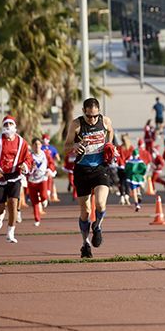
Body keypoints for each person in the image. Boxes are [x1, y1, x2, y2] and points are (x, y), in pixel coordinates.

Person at [63, 97, 116, 259]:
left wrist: (110, 145)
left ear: (98, 112)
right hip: (82, 170)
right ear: (84, 112)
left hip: (100, 168)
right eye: (89, 116)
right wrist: (74, 146)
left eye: (95, 116)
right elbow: (65, 147)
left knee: (100, 203)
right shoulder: (76, 124)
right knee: (85, 211)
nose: (92, 120)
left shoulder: (105, 121)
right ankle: (85, 243)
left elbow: (110, 132)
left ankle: (98, 227)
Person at [0, 115, 33, 243]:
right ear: (2, 127)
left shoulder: (22, 142)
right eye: (6, 125)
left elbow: (28, 159)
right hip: (0, 177)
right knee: (0, 208)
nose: (8, 127)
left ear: (15, 127)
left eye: (11, 124)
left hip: (15, 176)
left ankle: (10, 232)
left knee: (13, 204)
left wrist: (24, 166)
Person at [26, 138, 53, 227]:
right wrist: (29, 168)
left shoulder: (45, 154)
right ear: (32, 146)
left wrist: (49, 170)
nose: (37, 146)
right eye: (35, 144)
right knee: (34, 202)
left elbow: (51, 164)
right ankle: (37, 219)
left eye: (38, 144)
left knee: (44, 195)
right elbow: (26, 167)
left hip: (42, 179)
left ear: (41, 145)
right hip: (32, 180)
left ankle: (44, 200)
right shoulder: (29, 156)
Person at [41, 134, 61, 203]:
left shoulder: (52, 148)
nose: (45, 140)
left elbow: (58, 158)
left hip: (50, 166)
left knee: (50, 180)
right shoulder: (40, 147)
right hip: (42, 167)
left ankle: (49, 195)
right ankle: (45, 196)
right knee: (43, 181)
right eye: (44, 139)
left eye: (46, 139)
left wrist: (53, 162)